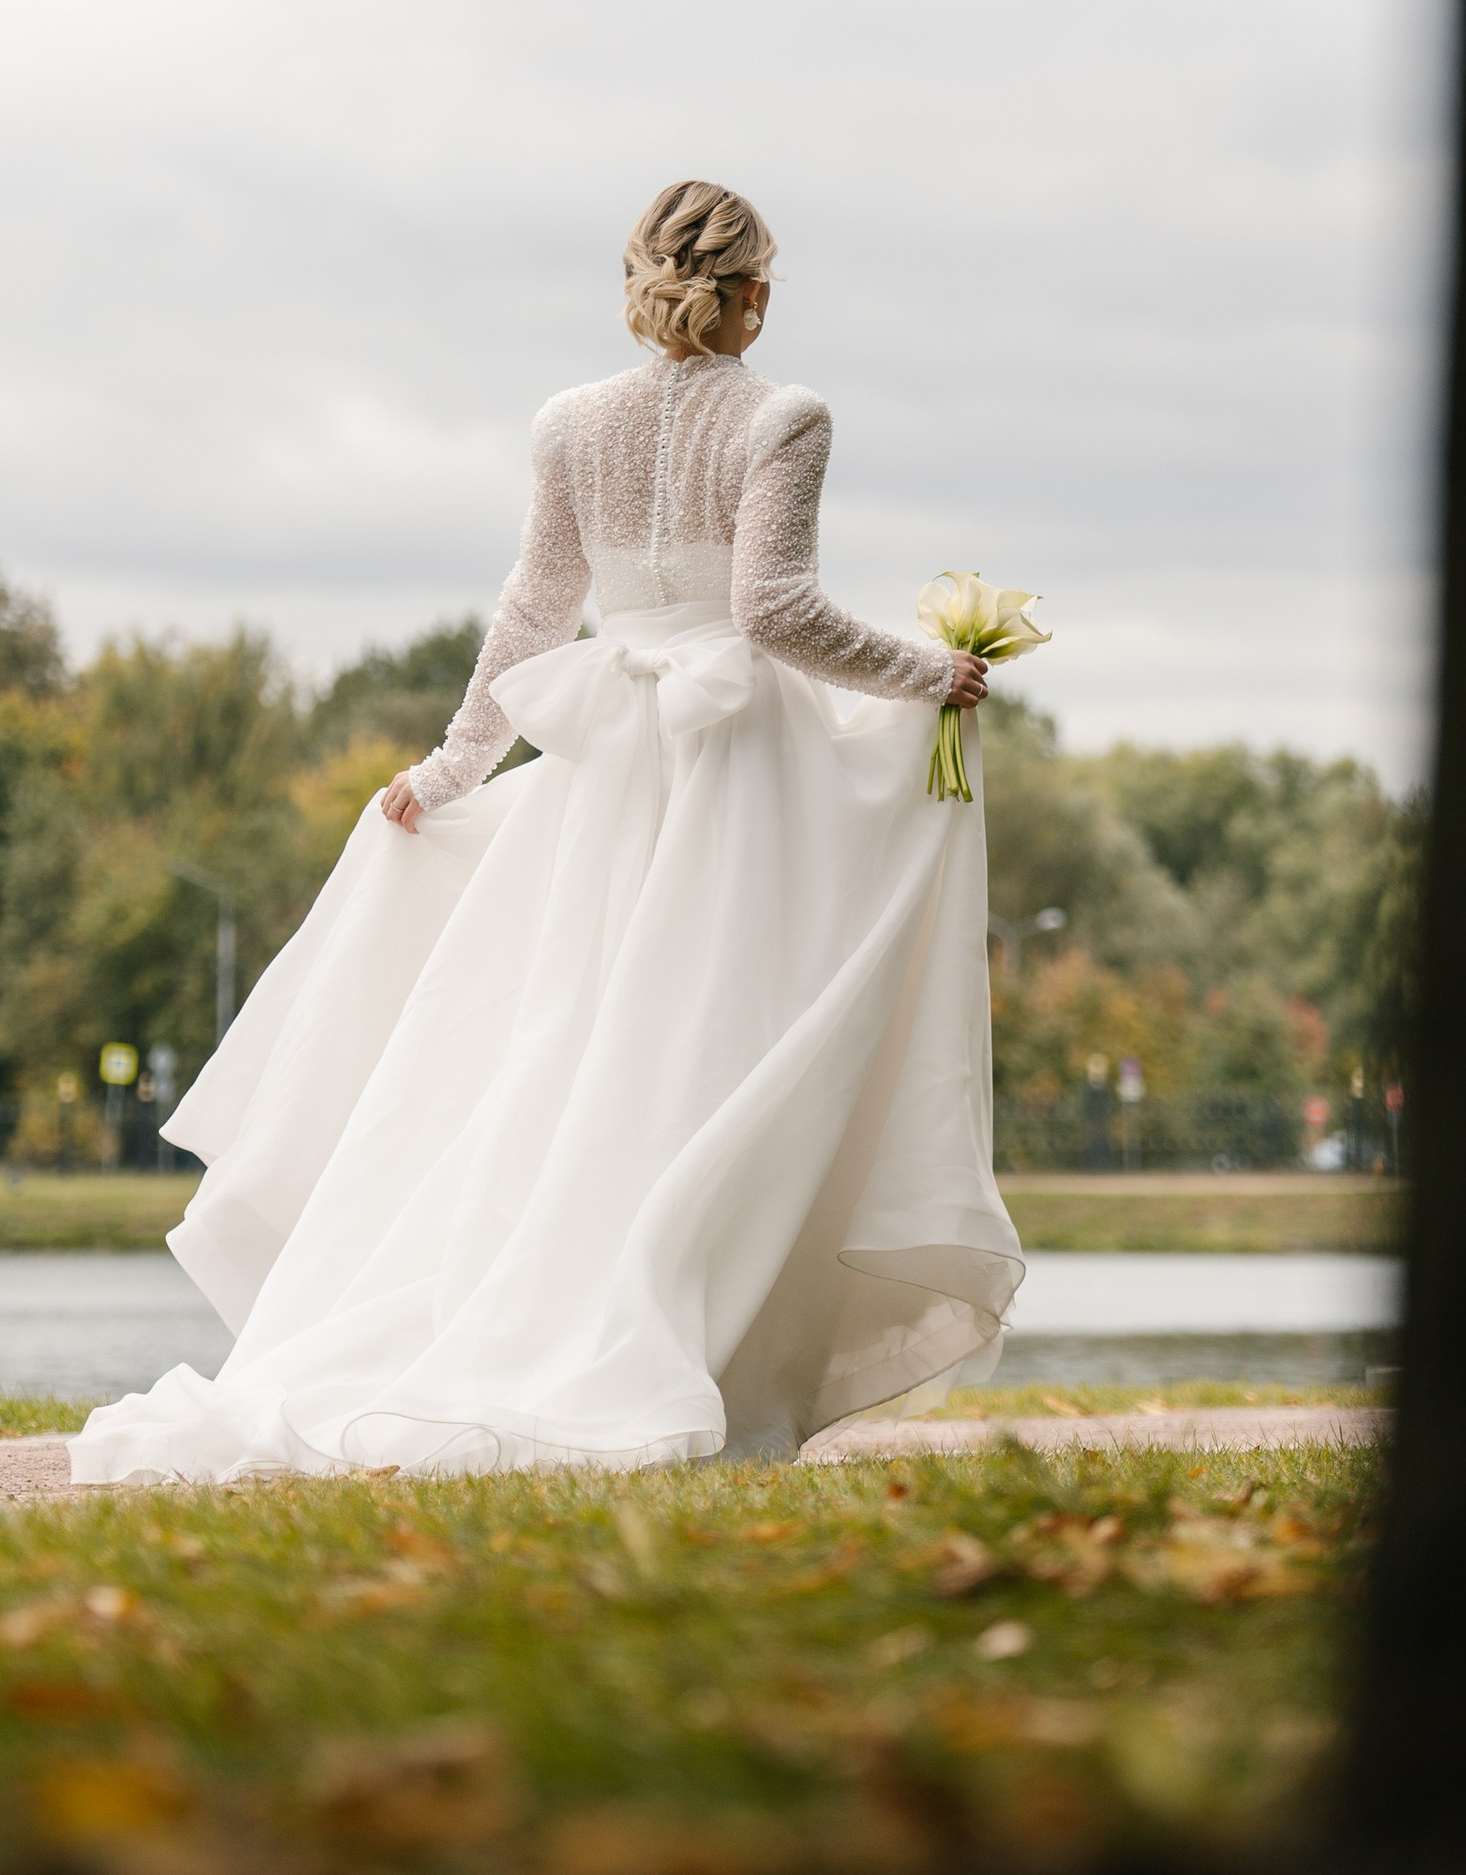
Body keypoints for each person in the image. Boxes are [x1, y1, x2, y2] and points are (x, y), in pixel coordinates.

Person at [72, 179, 1021, 1482]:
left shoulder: (570, 423)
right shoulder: (786, 417)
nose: (765, 301)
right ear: (742, 289)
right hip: (733, 765)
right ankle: (676, 1340)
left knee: (572, 1044)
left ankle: (598, 1322)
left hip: (607, 768)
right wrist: (933, 676)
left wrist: (456, 764)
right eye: (766, 279)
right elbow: (773, 613)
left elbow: (536, 608)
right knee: (717, 1049)